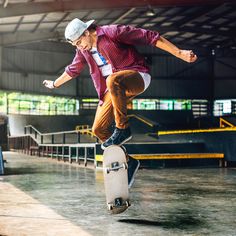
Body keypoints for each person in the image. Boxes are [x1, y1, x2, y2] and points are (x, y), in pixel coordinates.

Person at [43, 18, 197, 188]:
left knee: (113, 80)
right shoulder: (83, 51)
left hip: (137, 76)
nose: (80, 47)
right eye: (76, 45)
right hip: (112, 89)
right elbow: (73, 70)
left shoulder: (112, 32)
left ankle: (123, 128)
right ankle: (129, 162)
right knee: (98, 129)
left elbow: (150, 37)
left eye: (80, 42)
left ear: (87, 32)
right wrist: (54, 84)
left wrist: (179, 53)